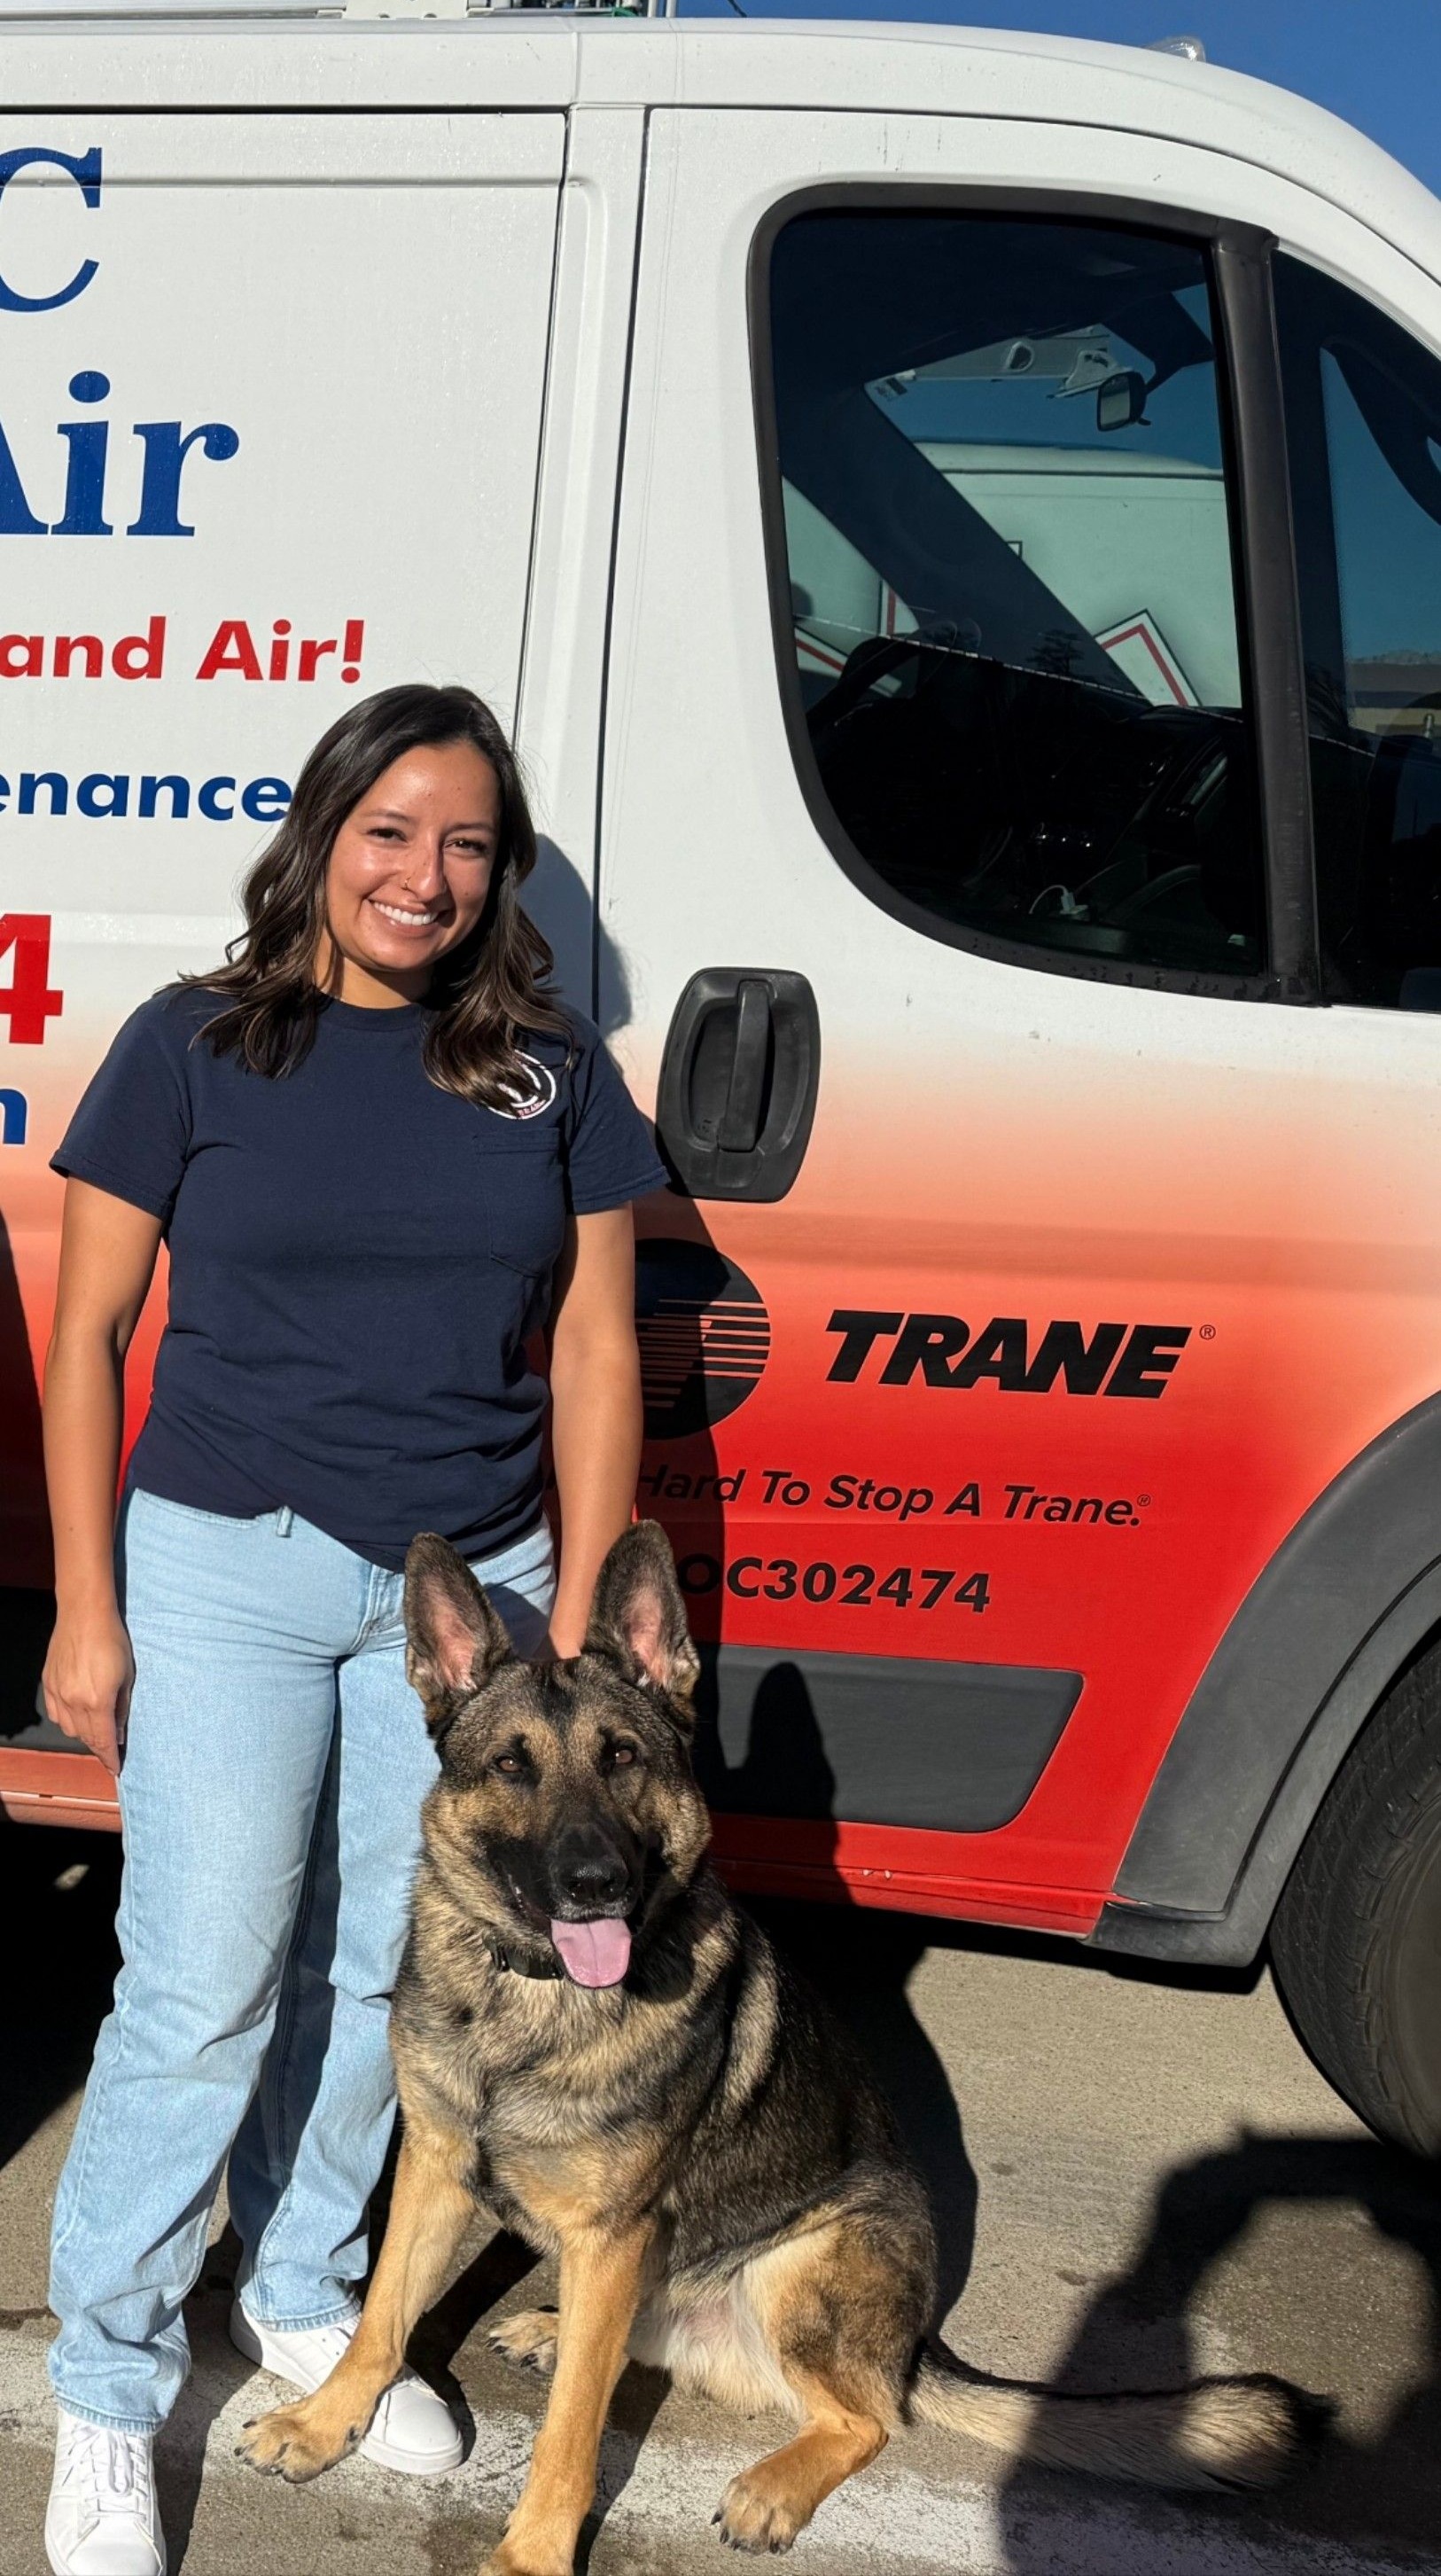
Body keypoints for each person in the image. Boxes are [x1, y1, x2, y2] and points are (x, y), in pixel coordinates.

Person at [39, 683, 666, 2576]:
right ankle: (109, 2385)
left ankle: (309, 2295)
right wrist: (88, 1603)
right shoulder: (194, 1046)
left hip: (468, 1603)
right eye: (392, 829)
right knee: (205, 1979)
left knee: (381, 1983)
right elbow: (86, 1332)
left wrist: (568, 1637)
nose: (427, 873)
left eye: (469, 842)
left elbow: (595, 1344)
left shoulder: (551, 1072)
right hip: (227, 1548)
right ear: (323, 833)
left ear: (502, 871)